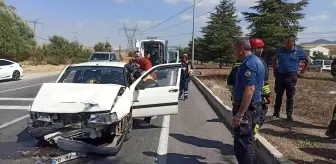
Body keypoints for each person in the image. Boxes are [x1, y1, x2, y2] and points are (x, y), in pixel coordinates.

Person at [232, 37, 265, 164]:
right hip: (250, 107)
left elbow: (250, 89)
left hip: (247, 110)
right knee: (245, 142)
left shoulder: (249, 64)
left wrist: (240, 114)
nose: (234, 52)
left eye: (235, 49)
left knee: (243, 144)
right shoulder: (254, 61)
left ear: (241, 48)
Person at [272, 34, 310, 121]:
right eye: (285, 43)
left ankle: (289, 114)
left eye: (288, 43)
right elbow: (274, 58)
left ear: (293, 42)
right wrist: (274, 70)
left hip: (291, 76)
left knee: (290, 96)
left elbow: (308, 59)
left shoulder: (299, 51)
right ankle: (276, 112)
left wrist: (303, 71)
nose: (286, 44)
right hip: (280, 75)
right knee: (279, 95)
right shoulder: (281, 50)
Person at [250, 38, 272, 132]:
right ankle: (252, 132)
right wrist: (267, 95)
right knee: (261, 113)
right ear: (256, 49)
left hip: (246, 95)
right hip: (258, 95)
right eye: (261, 47)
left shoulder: (244, 60)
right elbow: (264, 82)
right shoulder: (260, 62)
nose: (262, 50)